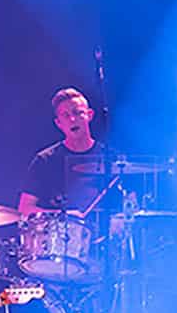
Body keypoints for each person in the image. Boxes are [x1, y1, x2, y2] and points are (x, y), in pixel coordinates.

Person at [18, 88, 118, 219]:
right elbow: (25, 208)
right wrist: (64, 216)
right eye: (65, 115)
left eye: (77, 113)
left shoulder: (111, 158)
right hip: (60, 236)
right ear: (58, 123)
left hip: (105, 235)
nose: (72, 119)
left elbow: (129, 203)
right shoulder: (45, 160)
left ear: (90, 115)